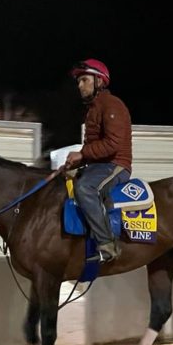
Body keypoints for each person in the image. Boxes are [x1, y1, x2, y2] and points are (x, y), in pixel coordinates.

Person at [65, 59, 133, 263]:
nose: (80, 85)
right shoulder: (93, 109)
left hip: (116, 165)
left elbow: (112, 144)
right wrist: (74, 163)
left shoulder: (112, 105)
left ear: (99, 81)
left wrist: (82, 154)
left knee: (85, 188)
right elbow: (94, 150)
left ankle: (107, 244)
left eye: (84, 79)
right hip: (99, 165)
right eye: (78, 81)